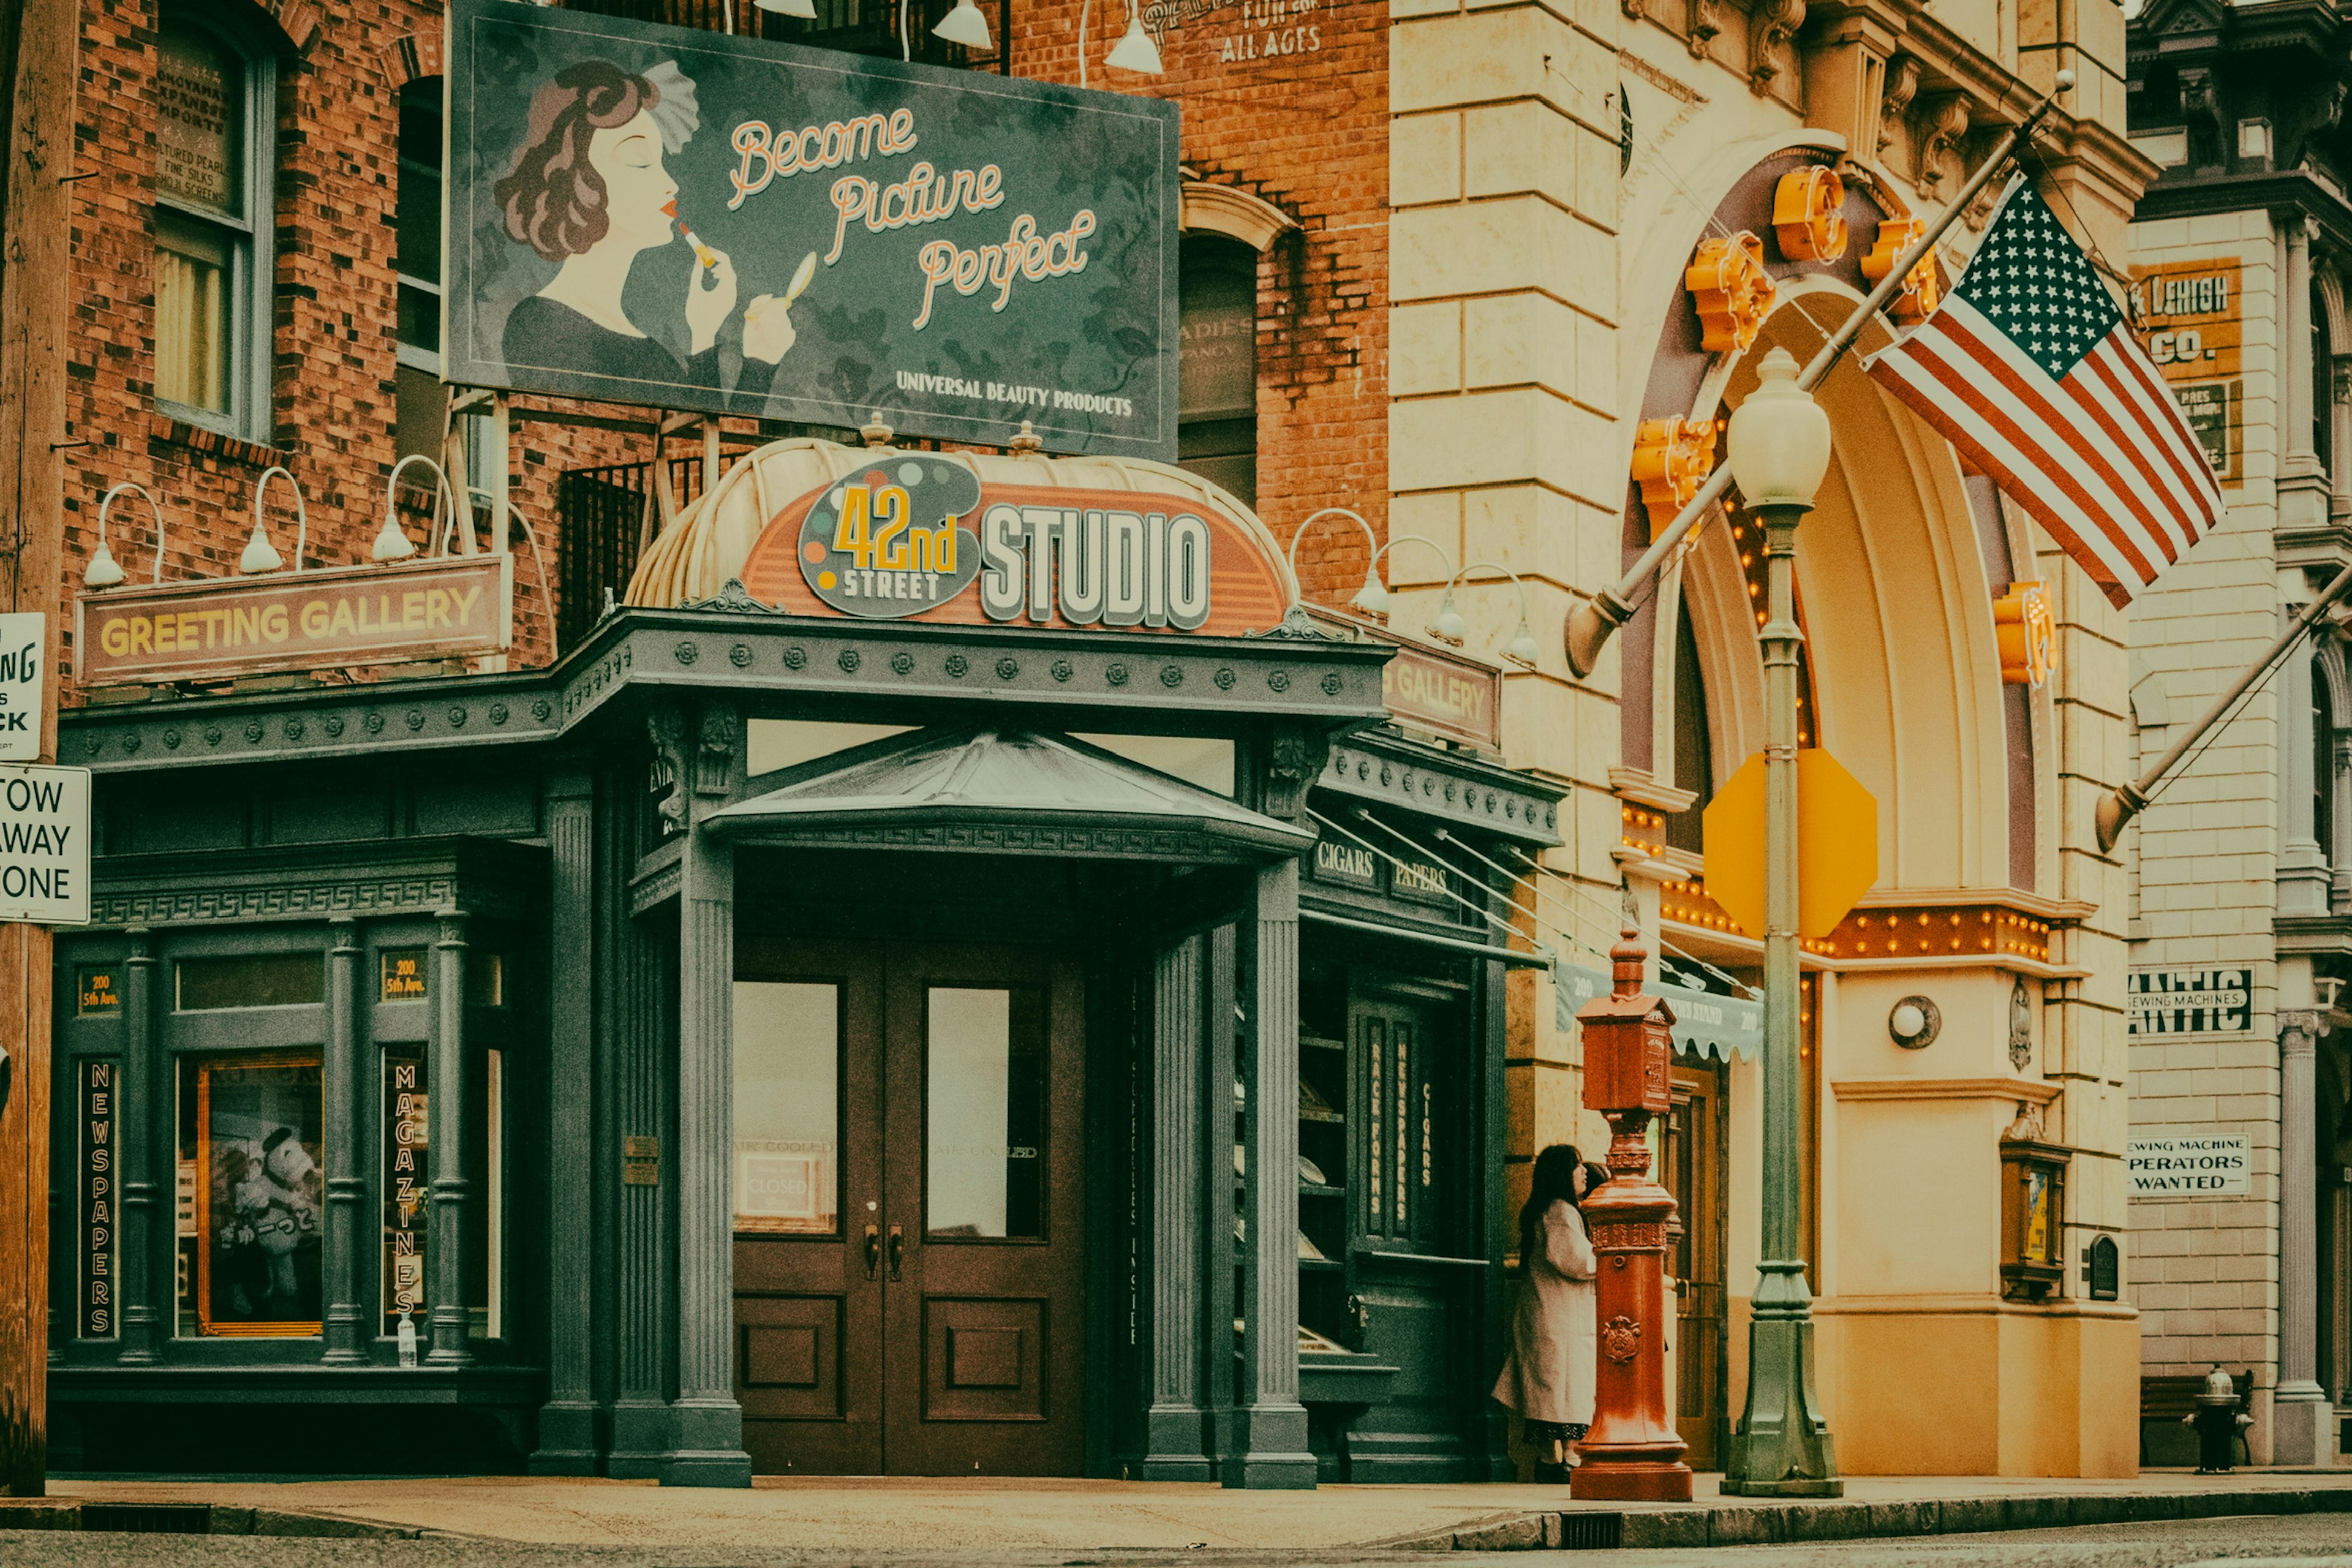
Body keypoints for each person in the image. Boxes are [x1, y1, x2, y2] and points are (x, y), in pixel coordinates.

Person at [494, 59, 794, 394]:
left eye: (661, 163)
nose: (670, 184)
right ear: (575, 178)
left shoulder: (647, 349)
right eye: (640, 160)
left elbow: (707, 443)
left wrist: (718, 337)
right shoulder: (543, 328)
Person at [1491, 1142, 1599, 1482]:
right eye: (1577, 1165)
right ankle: (1567, 1459)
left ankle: (1549, 1460)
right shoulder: (1562, 1212)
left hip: (1549, 1312)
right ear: (1561, 1174)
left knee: (1549, 1388)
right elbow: (1575, 1261)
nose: (1584, 1171)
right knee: (1566, 1387)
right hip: (1561, 1316)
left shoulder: (1546, 1209)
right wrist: (1611, 1257)